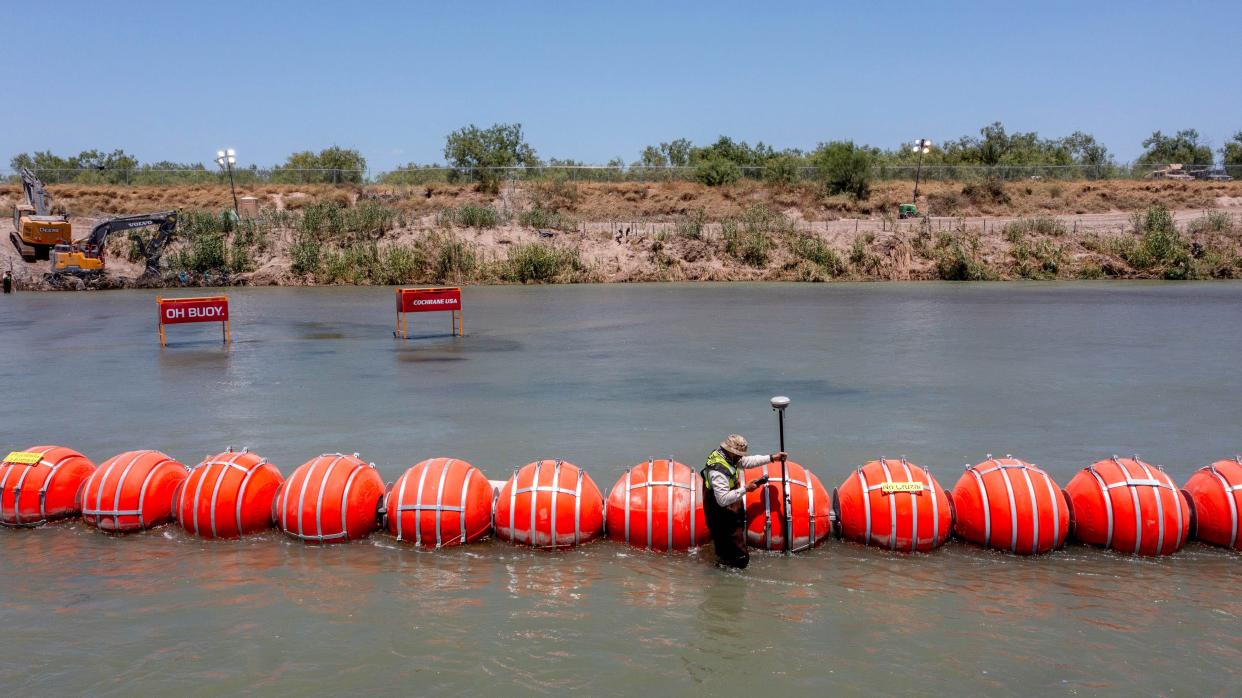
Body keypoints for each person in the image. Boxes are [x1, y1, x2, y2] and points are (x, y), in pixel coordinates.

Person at [702, 434, 786, 569]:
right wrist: (745, 489)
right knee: (741, 558)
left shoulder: (726, 456)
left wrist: (772, 458)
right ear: (731, 452)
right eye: (739, 454)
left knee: (723, 546)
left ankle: (722, 561)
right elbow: (722, 500)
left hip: (725, 503)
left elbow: (746, 462)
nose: (741, 457)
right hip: (718, 510)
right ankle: (727, 571)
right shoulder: (718, 471)